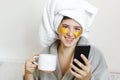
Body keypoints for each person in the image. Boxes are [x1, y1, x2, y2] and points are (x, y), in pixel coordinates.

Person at [24, 0, 111, 80]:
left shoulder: (95, 56)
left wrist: (87, 78)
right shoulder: (45, 54)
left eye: (77, 29)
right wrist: (28, 74)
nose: (70, 33)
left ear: (82, 31)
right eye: (65, 27)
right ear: (57, 27)